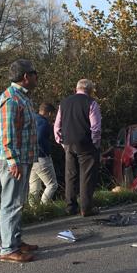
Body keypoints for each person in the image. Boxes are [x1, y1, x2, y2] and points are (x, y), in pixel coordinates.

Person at [0, 59, 39, 263]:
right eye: (35, 73)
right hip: (12, 159)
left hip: (21, 159)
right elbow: (6, 134)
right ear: (26, 76)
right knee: (11, 203)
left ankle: (16, 241)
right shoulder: (11, 100)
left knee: (18, 202)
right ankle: (8, 248)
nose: (37, 76)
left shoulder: (21, 97)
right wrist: (13, 160)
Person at [55, 79, 102, 217]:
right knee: (86, 176)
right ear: (90, 90)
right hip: (86, 143)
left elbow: (57, 126)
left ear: (76, 89)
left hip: (69, 143)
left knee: (71, 175)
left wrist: (62, 142)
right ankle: (86, 208)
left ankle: (70, 207)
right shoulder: (91, 103)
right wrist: (96, 144)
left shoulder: (64, 103)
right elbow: (96, 128)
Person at [29, 103, 58, 205]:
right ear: (49, 113)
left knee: (34, 187)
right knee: (52, 184)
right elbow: (40, 138)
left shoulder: (31, 119)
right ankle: (43, 206)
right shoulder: (44, 123)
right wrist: (45, 152)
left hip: (30, 157)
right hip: (41, 157)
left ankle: (33, 210)